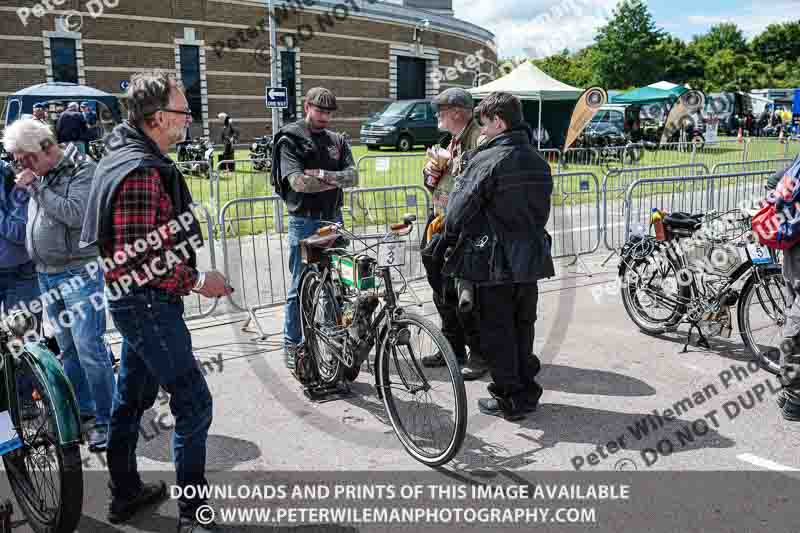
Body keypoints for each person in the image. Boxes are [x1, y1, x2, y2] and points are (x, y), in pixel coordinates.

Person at [81, 70, 233, 531]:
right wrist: (199, 279)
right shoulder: (140, 172)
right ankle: (192, 515)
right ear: (158, 117)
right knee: (193, 403)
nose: (189, 119)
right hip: (146, 305)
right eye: (184, 111)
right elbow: (140, 261)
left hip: (138, 306)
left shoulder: (129, 153)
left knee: (131, 400)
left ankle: (125, 493)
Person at [3, 118, 116, 450]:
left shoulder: (84, 169)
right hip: (47, 271)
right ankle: (82, 413)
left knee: (89, 349)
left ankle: (109, 420)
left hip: (78, 272)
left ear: (47, 147)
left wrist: (36, 187)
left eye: (25, 159)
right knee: (67, 348)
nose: (21, 167)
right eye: (16, 160)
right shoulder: (41, 172)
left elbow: (76, 214)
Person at [441, 92, 554, 421]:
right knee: (523, 329)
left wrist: (449, 238)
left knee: (499, 332)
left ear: (499, 122)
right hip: (529, 258)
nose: (483, 130)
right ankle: (525, 393)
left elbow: (456, 214)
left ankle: (510, 399)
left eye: (486, 123)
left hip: (494, 261)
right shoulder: (537, 158)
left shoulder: (488, 159)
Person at [271, 87, 358, 370]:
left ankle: (334, 338)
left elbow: (353, 176)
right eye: (320, 111)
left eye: (329, 112)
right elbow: (297, 183)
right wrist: (336, 179)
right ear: (307, 106)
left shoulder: (337, 140)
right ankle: (292, 343)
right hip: (304, 220)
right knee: (300, 285)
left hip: (333, 217)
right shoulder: (290, 138)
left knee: (338, 284)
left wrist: (321, 175)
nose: (324, 117)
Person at [420, 87, 487, 380]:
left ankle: (479, 353)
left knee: (466, 294)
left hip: (466, 230)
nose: (439, 116)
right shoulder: (453, 141)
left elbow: (478, 185)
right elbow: (446, 181)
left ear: (457, 112)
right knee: (443, 293)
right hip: (445, 225)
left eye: (442, 110)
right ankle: (452, 348)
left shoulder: (478, 139)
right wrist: (432, 175)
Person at [0, 159, 41, 419]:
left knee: (24, 335)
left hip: (21, 269)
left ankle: (24, 399)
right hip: (18, 265)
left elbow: (21, 229)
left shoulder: (15, 175)